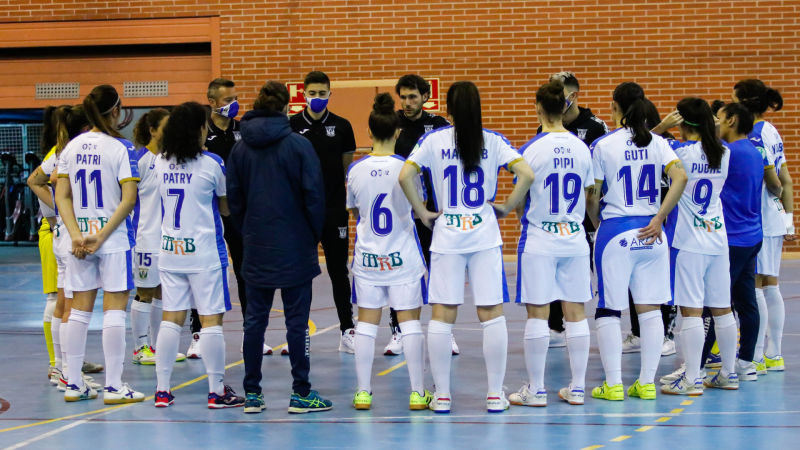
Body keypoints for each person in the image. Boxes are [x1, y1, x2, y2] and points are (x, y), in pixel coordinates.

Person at [400, 81, 535, 413]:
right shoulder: (493, 140)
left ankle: (443, 396)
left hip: (447, 234)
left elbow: (405, 175)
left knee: (443, 315)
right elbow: (527, 174)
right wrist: (505, 206)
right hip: (484, 234)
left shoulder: (433, 139)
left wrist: (422, 212)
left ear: (447, 109)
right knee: (491, 314)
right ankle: (493, 395)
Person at [228, 81, 332, 414]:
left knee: (254, 322)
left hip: (257, 245)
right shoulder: (299, 145)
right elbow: (315, 197)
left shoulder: (240, 149)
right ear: (288, 107)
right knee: (297, 323)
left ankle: (253, 394)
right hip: (295, 245)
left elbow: (235, 200)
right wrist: (309, 235)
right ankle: (301, 392)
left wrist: (249, 233)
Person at [586, 82, 687, 402]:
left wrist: (598, 222)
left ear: (615, 107)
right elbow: (681, 177)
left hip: (615, 231)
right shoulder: (658, 142)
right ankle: (645, 383)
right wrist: (659, 217)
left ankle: (613, 384)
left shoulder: (604, 144)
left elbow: (592, 194)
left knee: (608, 310)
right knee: (650, 310)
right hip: (653, 233)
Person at [55, 85, 145, 404]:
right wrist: (102, 236)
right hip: (112, 239)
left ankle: (74, 382)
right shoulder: (121, 148)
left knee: (78, 311)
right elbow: (129, 199)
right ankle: (114, 385)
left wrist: (77, 233)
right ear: (117, 112)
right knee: (114, 310)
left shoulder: (71, 147)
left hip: (78, 241)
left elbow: (61, 195)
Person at [152, 101, 244, 409]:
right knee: (211, 320)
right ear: (199, 130)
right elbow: (226, 207)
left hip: (170, 250)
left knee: (171, 318)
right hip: (203, 253)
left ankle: (162, 390)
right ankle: (216, 391)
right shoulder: (212, 163)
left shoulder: (160, 162)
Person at [509, 80, 594, 407]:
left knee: (538, 315)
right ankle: (577, 388)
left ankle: (537, 388)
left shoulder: (530, 149)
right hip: (574, 239)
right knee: (576, 313)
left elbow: (520, 199)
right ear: (564, 107)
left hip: (541, 239)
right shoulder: (581, 147)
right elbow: (590, 196)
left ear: (538, 108)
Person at [348, 93, 431, 411]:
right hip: (403, 257)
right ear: (398, 132)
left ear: (368, 133)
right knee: (410, 322)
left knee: (367, 323)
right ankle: (417, 392)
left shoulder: (355, 171)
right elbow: (417, 208)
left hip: (368, 259)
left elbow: (356, 213)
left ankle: (363, 392)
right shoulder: (408, 169)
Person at [190, 78, 272, 358]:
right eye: (227, 100)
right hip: (207, 214)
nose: (233, 104)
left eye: (235, 98)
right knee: (200, 273)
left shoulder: (244, 131)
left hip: (240, 213)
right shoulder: (201, 135)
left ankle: (253, 335)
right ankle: (197, 335)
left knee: (245, 273)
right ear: (211, 103)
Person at [658, 97, 733, 396]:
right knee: (723, 309)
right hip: (717, 237)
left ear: (681, 122)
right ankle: (728, 373)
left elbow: (638, 149)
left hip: (688, 241)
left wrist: (662, 127)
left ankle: (691, 378)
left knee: (690, 311)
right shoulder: (724, 152)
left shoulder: (676, 151)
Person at [697, 102, 775, 385]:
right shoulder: (754, 151)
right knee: (745, 302)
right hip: (753, 236)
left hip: (732, 239)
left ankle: (697, 365)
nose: (715, 124)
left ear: (730, 121)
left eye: (718, 119)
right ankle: (745, 363)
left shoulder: (729, 153)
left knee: (715, 304)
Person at [530, 72, 609, 349]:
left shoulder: (597, 127)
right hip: (553, 216)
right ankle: (555, 327)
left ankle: (575, 324)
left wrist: (597, 216)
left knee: (579, 278)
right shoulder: (543, 131)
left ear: (572, 96)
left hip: (585, 214)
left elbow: (602, 174)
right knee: (549, 272)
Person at [29, 105, 103, 391]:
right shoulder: (73, 153)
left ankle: (63, 369)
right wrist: (59, 210)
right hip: (71, 236)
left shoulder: (60, 153)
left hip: (63, 232)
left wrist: (56, 213)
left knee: (63, 303)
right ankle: (66, 372)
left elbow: (34, 179)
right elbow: (40, 183)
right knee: (69, 306)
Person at [383, 74, 455, 357]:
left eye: (413, 96)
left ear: (426, 97)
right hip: (401, 216)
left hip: (433, 214)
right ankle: (398, 332)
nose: (407, 102)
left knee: (440, 271)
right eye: (403, 97)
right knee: (400, 274)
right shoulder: (393, 125)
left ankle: (445, 332)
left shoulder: (438, 126)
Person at [290, 71, 358, 353]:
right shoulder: (290, 125)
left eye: (322, 93)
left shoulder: (342, 126)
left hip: (333, 211)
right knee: (298, 274)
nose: (317, 98)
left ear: (330, 94)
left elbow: (345, 167)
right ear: (303, 94)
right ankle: (299, 330)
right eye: (312, 93)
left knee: (338, 271)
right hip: (300, 212)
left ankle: (347, 329)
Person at [735, 80, 794, 374]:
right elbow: (787, 178)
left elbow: (776, 180)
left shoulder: (755, 135)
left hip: (757, 217)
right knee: (770, 282)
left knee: (755, 284)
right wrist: (787, 216)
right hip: (772, 216)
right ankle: (773, 354)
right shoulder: (771, 129)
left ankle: (755, 355)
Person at [622, 99, 680, 357]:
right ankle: (637, 333)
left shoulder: (667, 144)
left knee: (660, 283)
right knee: (634, 281)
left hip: (666, 221)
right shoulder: (627, 145)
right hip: (638, 223)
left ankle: (667, 334)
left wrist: (660, 128)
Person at [129, 109, 187, 365]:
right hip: (145, 238)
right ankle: (141, 347)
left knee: (165, 292)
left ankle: (159, 346)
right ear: (152, 131)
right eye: (166, 127)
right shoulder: (138, 160)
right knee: (145, 291)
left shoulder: (172, 160)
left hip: (169, 240)